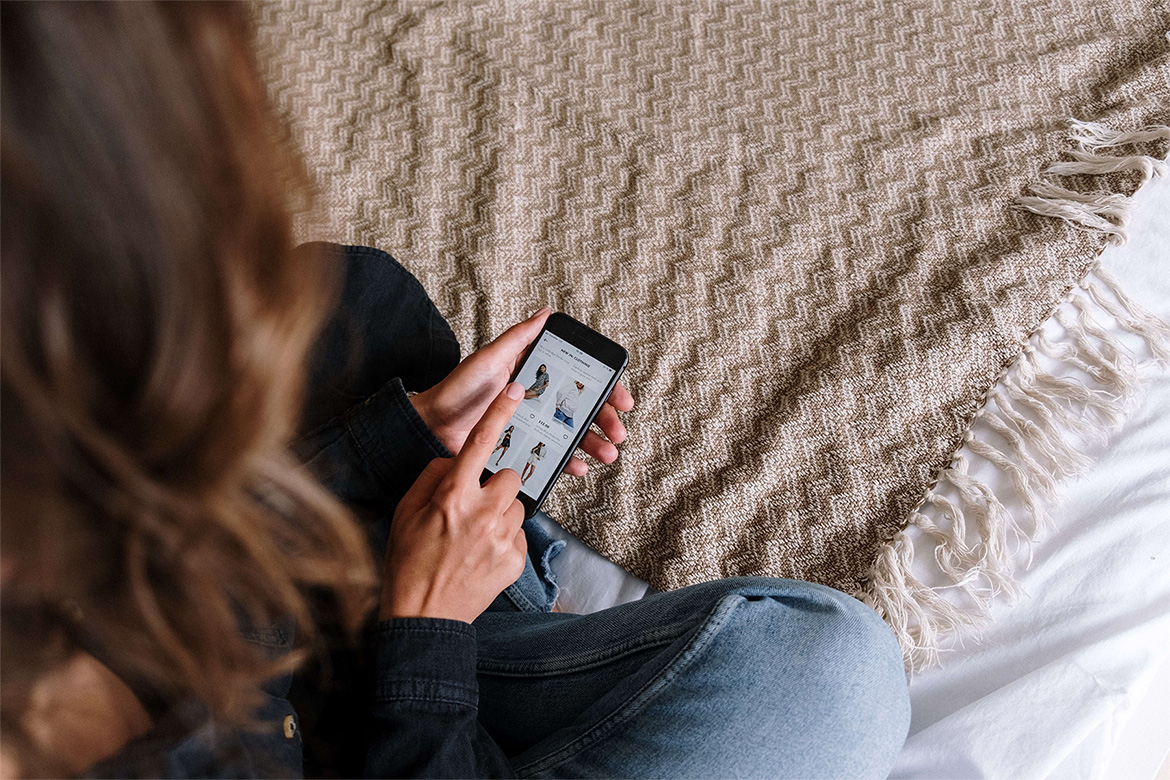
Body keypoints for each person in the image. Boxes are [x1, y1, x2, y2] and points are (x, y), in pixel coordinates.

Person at [0, 4, 911, 779]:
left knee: (355, 299)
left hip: (310, 620)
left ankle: (455, 531)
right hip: (391, 708)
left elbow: (190, 590)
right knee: (830, 676)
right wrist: (428, 628)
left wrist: (398, 440)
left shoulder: (78, 558)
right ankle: (482, 567)